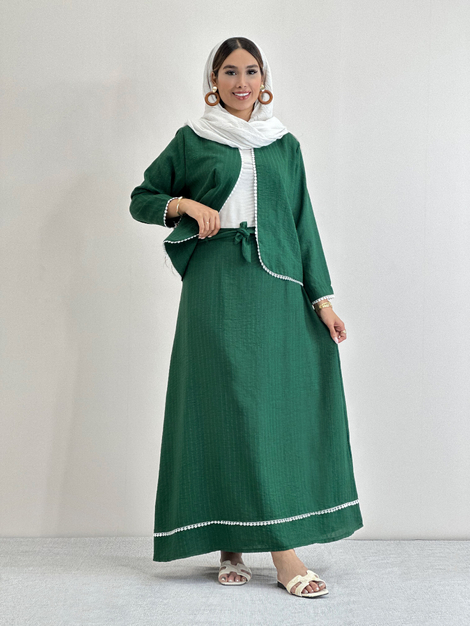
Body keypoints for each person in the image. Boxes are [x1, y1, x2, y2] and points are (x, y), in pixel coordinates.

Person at [129, 36, 363, 599]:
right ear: (214, 80)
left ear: (264, 79)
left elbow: (303, 223)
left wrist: (323, 301)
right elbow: (142, 198)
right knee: (226, 409)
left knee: (269, 412)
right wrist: (185, 205)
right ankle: (261, 549)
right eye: (230, 72)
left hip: (277, 287)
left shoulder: (284, 144)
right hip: (215, 286)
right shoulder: (193, 139)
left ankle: (259, 539)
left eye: (251, 71)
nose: (241, 82)